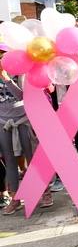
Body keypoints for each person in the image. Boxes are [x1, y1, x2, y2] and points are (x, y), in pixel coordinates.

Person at [0, 60, 38, 214]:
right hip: (3, 122)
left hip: (23, 120)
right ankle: (15, 198)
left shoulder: (19, 71)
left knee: (31, 158)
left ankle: (40, 193)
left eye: (3, 54)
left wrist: (6, 78)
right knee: (9, 160)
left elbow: (21, 95)